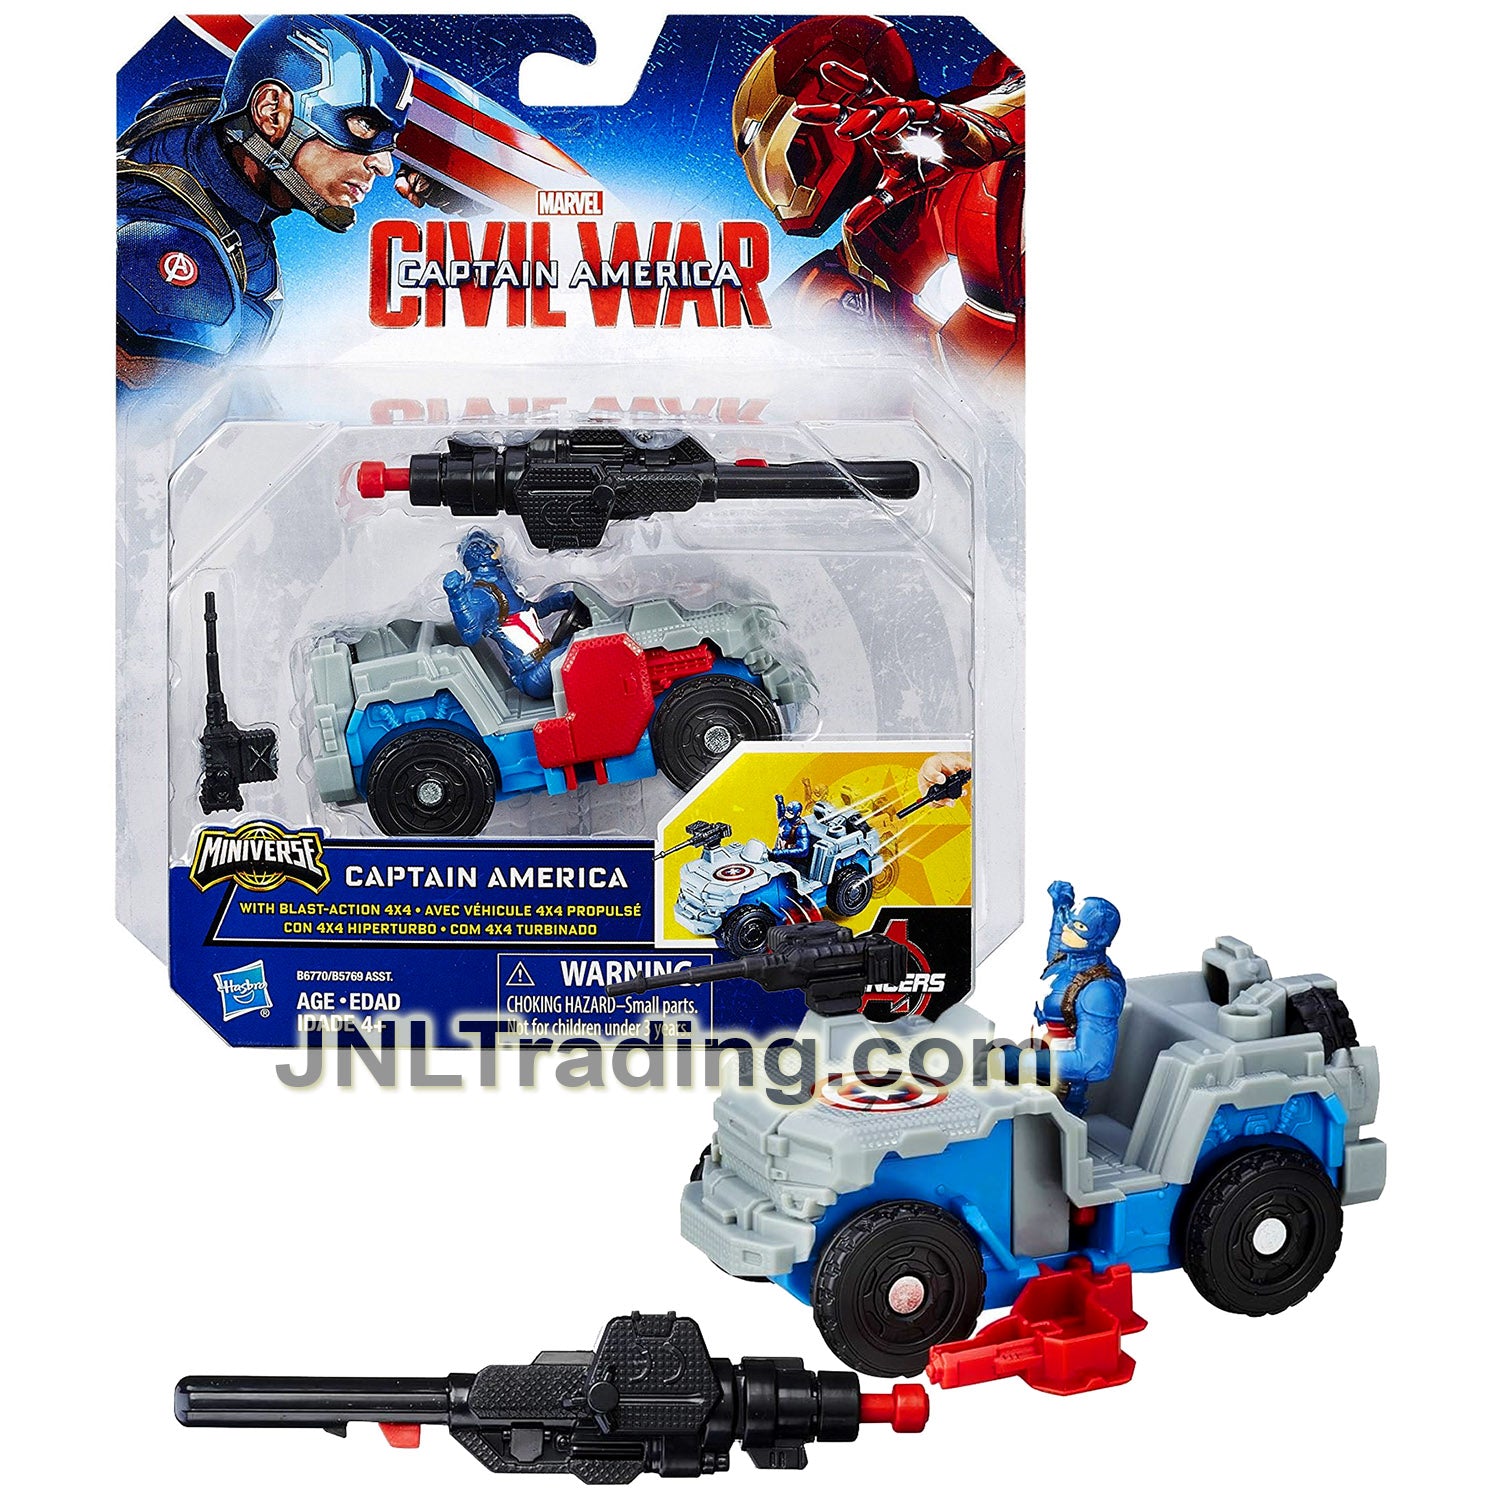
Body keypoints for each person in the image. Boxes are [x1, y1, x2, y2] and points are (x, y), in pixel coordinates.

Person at [117, 13, 432, 386]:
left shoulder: (196, 135)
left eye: (389, 142)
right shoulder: (164, 243)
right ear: (271, 112)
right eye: (364, 124)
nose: (383, 164)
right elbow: (161, 415)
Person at [1002, 881, 1125, 1115]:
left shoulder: (1098, 991)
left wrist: (1024, 1061)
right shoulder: (1066, 962)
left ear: (1100, 939)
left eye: (1079, 926)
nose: (1068, 928)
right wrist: (1061, 908)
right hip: (1033, 1075)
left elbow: (1094, 1064)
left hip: (1057, 1096)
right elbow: (1058, 946)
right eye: (1070, 921)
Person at [443, 530, 584, 700]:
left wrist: (565, 599)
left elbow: (531, 611)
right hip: (533, 673)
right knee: (583, 651)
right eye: (488, 547)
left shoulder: (504, 582)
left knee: (581, 639)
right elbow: (470, 635)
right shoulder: (481, 594)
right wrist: (457, 597)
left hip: (546, 656)